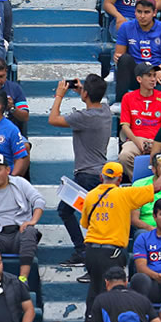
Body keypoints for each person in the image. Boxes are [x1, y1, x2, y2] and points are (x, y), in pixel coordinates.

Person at [81, 158, 161, 322]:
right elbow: (157, 187)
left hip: (91, 251)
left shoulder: (90, 195)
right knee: (111, 293)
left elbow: (85, 223)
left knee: (94, 289)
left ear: (101, 177)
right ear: (119, 179)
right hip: (111, 252)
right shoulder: (124, 194)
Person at [50, 74, 111, 270]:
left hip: (86, 176)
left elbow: (53, 119)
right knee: (91, 218)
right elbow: (93, 99)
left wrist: (60, 95)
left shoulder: (83, 117)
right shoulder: (106, 110)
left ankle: (84, 253)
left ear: (86, 93)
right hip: (99, 174)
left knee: (65, 211)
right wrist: (81, 91)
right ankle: (88, 254)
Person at [113, 0, 161, 101]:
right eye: (139, 12)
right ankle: (119, 102)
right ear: (135, 12)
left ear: (154, 12)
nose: (142, 16)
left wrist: (157, 69)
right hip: (137, 75)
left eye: (147, 12)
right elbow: (119, 55)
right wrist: (117, 58)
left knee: (159, 93)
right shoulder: (126, 27)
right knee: (124, 59)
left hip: (158, 74)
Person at [118, 63, 161, 178]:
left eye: (154, 75)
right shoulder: (128, 98)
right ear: (139, 79)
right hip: (135, 140)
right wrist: (138, 141)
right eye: (149, 75)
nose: (153, 79)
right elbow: (125, 125)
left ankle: (158, 183)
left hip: (158, 140)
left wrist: (156, 143)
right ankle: (138, 183)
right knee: (124, 155)